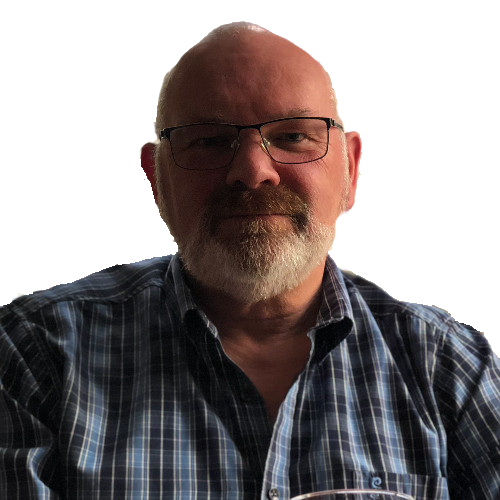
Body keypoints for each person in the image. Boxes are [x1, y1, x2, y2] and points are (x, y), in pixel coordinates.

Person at [0, 21, 499, 500]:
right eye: (209, 141)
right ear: (156, 181)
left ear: (350, 173)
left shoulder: (451, 366)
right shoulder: (32, 356)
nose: (253, 171)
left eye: (293, 136)